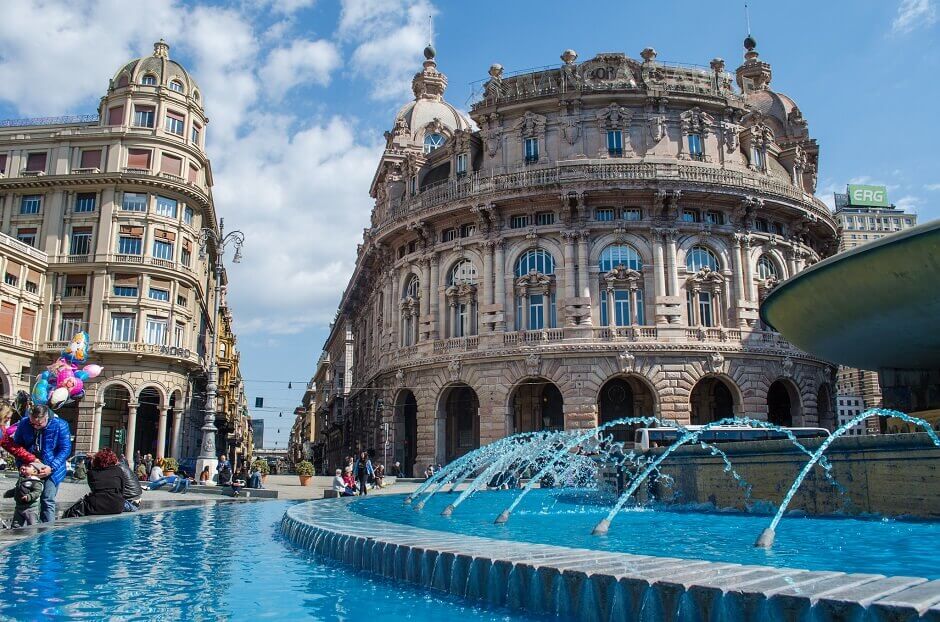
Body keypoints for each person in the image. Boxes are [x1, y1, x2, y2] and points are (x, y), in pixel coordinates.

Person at [12, 405, 72, 523]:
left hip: (52, 468)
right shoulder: (24, 423)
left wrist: (52, 467)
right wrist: (21, 465)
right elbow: (17, 446)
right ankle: (19, 529)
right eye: (32, 423)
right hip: (29, 466)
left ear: (46, 418)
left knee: (47, 500)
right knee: (23, 499)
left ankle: (47, 533)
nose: (35, 426)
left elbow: (65, 449)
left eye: (38, 424)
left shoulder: (60, 424)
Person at [64, 448, 133, 517]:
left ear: (97, 460)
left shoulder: (92, 473)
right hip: (117, 507)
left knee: (69, 513)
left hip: (96, 506)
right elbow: (122, 490)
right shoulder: (118, 470)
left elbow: (94, 489)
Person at [4, 463, 43, 527]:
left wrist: (29, 496)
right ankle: (16, 534)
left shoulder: (36, 482)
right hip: (19, 507)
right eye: (23, 465)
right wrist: (8, 493)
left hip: (31, 508)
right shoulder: (21, 480)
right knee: (16, 525)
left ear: (34, 471)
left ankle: (33, 535)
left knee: (32, 525)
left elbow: (37, 492)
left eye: (27, 466)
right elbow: (17, 490)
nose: (23, 466)